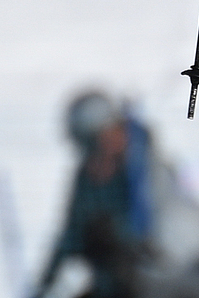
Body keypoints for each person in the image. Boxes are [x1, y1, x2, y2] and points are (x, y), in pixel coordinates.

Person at [34, 90, 155, 298]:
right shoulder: (85, 181)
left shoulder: (145, 171)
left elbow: (169, 231)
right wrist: (44, 285)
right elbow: (70, 236)